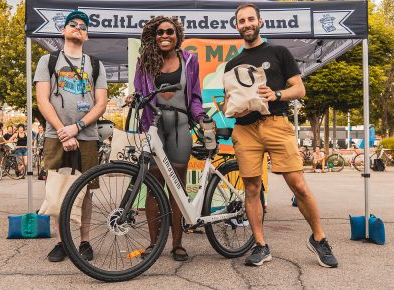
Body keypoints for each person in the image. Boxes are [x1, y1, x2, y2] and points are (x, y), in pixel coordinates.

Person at [223, 3, 338, 268]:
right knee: (251, 189)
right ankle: (261, 246)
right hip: (245, 129)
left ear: (259, 22)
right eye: (242, 21)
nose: (246, 24)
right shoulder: (233, 64)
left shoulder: (279, 52)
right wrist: (230, 104)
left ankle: (319, 239)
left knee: (298, 185)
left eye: (251, 19)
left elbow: (299, 90)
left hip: (276, 124)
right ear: (237, 26)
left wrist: (276, 94)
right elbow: (232, 98)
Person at [126, 16, 207, 261]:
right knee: (153, 187)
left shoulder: (190, 60)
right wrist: (134, 98)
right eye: (160, 32)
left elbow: (194, 97)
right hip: (155, 126)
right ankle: (154, 243)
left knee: (177, 188)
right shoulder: (144, 62)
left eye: (169, 32)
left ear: (177, 35)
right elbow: (140, 91)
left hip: (181, 127)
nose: (164, 36)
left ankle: (177, 243)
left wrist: (201, 117)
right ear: (154, 35)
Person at [34, 10, 108, 262]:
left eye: (83, 26)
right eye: (72, 24)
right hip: (56, 135)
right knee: (57, 189)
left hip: (87, 135)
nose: (78, 28)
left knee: (86, 190)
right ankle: (62, 242)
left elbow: (101, 104)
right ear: (63, 30)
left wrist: (76, 128)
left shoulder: (96, 64)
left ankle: (85, 241)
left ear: (86, 35)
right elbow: (42, 100)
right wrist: (63, 132)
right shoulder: (48, 61)